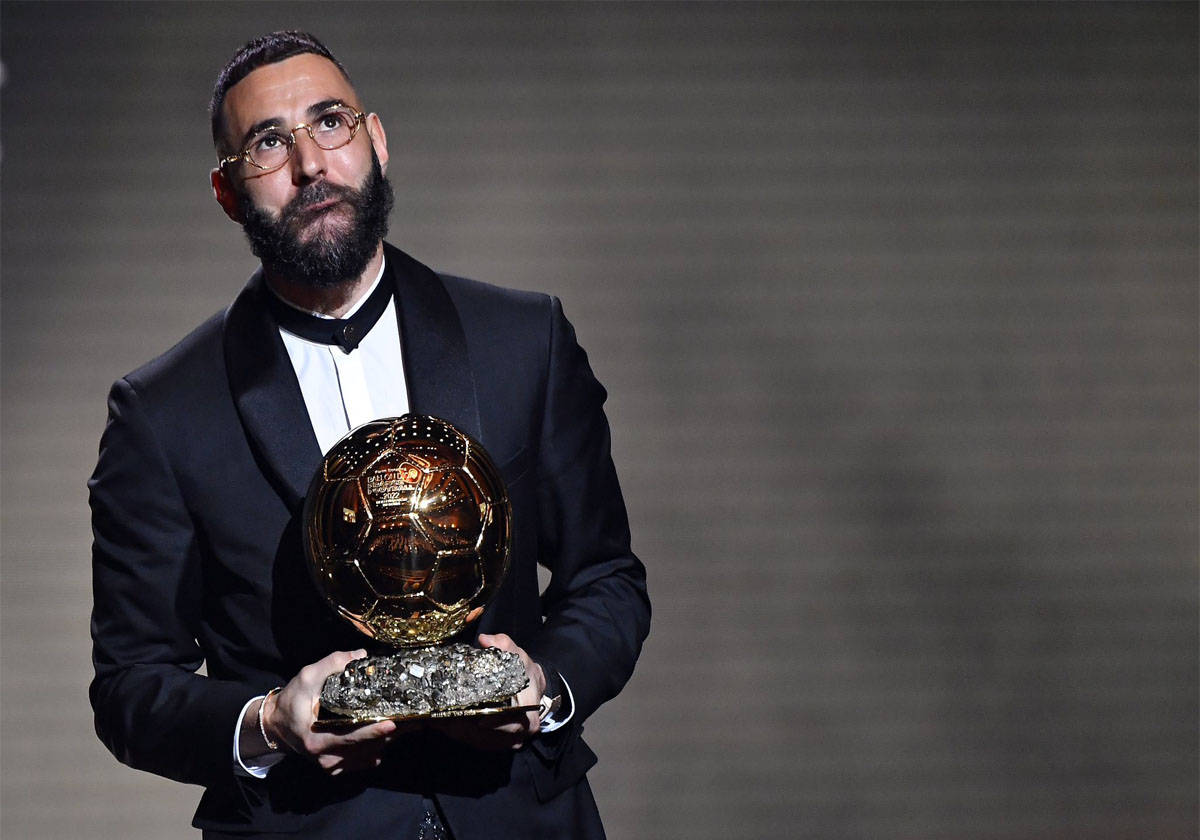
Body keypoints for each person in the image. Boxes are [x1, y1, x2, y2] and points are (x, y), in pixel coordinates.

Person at [88, 31, 650, 839]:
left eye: (330, 123)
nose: (310, 165)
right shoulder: (162, 412)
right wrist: (267, 722)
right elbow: (130, 686)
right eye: (268, 143)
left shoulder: (525, 340)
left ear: (376, 141)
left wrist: (545, 684)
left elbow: (607, 578)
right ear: (227, 191)